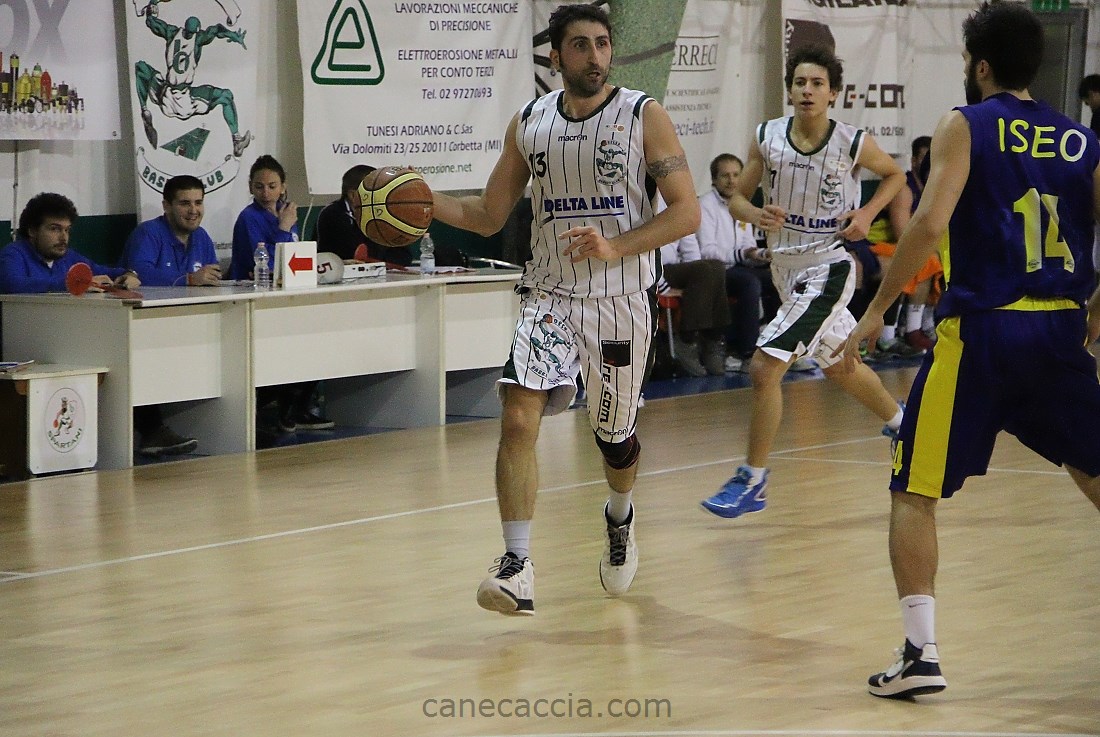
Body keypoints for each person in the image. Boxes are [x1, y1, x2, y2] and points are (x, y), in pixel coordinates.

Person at [841, 2, 1100, 699]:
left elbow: (928, 224)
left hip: (982, 333)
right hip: (1058, 330)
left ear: (980, 66)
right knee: (1093, 465)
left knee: (913, 487)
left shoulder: (968, 123)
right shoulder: (1082, 140)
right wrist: (1094, 313)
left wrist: (876, 312)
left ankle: (920, 653)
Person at [428, 4, 700, 615]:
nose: (595, 56)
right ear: (555, 56)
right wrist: (422, 197)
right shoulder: (530, 123)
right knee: (518, 416)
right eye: (581, 45)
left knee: (615, 442)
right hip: (549, 296)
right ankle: (516, 565)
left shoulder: (644, 116)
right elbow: (487, 216)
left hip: (621, 302)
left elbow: (686, 212)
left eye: (603, 43)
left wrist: (616, 247)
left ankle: (620, 515)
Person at [699, 44, 906, 519]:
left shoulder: (851, 141)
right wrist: (754, 213)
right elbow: (738, 200)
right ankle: (903, 424)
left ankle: (752, 480)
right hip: (784, 268)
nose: (807, 91)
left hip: (828, 267)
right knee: (839, 365)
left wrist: (867, 213)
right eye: (799, 83)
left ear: (833, 93)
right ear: (789, 90)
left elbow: (895, 175)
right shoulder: (768, 137)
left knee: (764, 366)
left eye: (817, 84)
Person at [0, 192, 198, 457]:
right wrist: (73, 284)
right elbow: (13, 284)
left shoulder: (69, 258)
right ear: (32, 231)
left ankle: (152, 432)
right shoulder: (13, 254)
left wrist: (127, 275)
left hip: (67, 340)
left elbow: (104, 270)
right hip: (26, 345)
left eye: (67, 230)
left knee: (124, 357)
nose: (63, 237)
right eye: (54, 229)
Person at [232, 155, 333, 436]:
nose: (266, 193)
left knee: (317, 337)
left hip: (286, 293)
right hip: (253, 294)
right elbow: (266, 262)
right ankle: (281, 408)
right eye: (259, 187)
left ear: (283, 187)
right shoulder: (249, 218)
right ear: (250, 188)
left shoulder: (286, 212)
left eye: (272, 186)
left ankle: (299, 406)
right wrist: (284, 228)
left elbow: (294, 256)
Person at [693, 153, 784, 373]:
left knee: (778, 277)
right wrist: (743, 254)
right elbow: (707, 251)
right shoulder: (705, 205)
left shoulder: (742, 205)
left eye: (736, 175)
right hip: (716, 271)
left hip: (740, 265)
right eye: (725, 176)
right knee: (749, 283)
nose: (732, 181)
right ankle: (747, 353)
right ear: (714, 179)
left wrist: (762, 254)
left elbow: (747, 245)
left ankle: (779, 348)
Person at [134, 1, 253, 158]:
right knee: (226, 96)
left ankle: (144, 110)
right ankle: (237, 140)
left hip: (165, 95)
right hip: (184, 100)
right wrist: (234, 35)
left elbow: (152, 23)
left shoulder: (171, 32)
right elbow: (217, 30)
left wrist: (151, 10)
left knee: (141, 68)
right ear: (197, 30)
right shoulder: (198, 39)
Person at [123, 175, 221, 287]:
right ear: (166, 206)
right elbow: (137, 273)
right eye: (185, 203)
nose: (193, 210)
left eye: (198, 203)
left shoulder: (201, 236)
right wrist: (189, 279)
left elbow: (214, 274)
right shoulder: (148, 232)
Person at [656, 232, 730, 377]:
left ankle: (713, 340)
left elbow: (691, 252)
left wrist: (702, 281)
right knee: (703, 270)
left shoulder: (678, 216)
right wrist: (663, 287)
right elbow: (642, 256)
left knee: (715, 267)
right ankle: (686, 340)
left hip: (675, 267)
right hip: (653, 272)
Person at [316, 164, 413, 267]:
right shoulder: (332, 215)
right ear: (353, 195)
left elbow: (404, 256)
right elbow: (354, 254)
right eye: (375, 191)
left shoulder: (384, 212)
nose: (382, 195)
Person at [1078, 73, 1100, 137]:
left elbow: (1095, 140)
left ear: (1091, 94)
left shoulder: (1097, 115)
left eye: (1087, 103)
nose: (1090, 106)